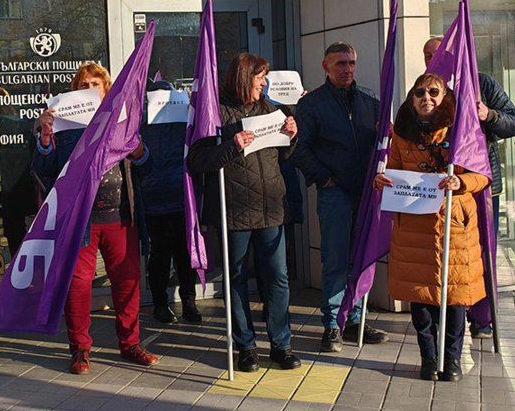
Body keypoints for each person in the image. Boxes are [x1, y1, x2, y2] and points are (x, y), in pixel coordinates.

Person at [33, 62, 160, 374]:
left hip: (121, 215)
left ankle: (130, 343)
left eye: (95, 84)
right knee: (77, 285)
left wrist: (137, 147)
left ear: (106, 90)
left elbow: (146, 168)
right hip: (80, 220)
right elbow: (43, 170)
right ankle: (79, 349)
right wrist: (46, 138)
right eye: (83, 84)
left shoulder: (123, 121)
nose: (89, 88)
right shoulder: (62, 124)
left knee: (127, 280)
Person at [187, 53, 301, 373]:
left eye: (264, 78)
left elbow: (284, 155)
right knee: (236, 279)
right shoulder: (215, 113)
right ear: (243, 77)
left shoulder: (271, 108)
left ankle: (281, 344)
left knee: (277, 277)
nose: (264, 83)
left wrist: (291, 136)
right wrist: (231, 145)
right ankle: (246, 346)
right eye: (259, 77)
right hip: (233, 210)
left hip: (271, 208)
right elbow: (197, 161)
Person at [373, 74, 490, 382]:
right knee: (419, 297)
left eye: (434, 92)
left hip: (453, 225)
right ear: (412, 99)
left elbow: (482, 175)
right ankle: (428, 357)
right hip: (414, 227)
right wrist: (380, 180)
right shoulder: (401, 134)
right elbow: (393, 173)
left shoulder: (462, 131)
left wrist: (461, 181)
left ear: (444, 97)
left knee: (454, 298)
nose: (427, 97)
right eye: (420, 92)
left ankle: (451, 359)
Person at [291, 43, 390, 353]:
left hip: (366, 193)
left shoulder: (370, 101)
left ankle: (355, 320)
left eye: (351, 63)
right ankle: (333, 324)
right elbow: (297, 148)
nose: (347, 69)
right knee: (334, 259)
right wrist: (324, 178)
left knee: (360, 259)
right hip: (335, 193)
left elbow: (382, 143)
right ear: (325, 66)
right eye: (340, 64)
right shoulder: (311, 105)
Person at [423, 37, 515, 339]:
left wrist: (488, 115)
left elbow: (514, 123)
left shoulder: (482, 84)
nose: (432, 60)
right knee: (446, 252)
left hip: (481, 187)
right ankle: (449, 315)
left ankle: (481, 318)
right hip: (442, 186)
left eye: (437, 54)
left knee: (481, 253)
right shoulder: (427, 90)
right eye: (427, 56)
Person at [134, 80, 200, 325]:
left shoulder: (186, 121)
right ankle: (161, 304)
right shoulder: (140, 124)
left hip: (180, 198)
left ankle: (188, 302)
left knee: (183, 254)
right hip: (153, 200)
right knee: (161, 255)